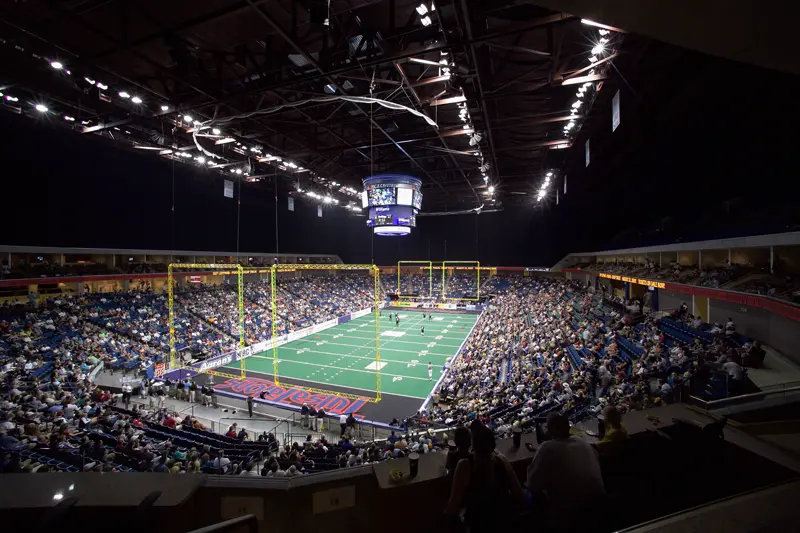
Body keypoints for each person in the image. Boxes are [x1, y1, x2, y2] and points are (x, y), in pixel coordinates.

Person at [526, 413, 605, 530]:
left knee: (527, 496)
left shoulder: (546, 449)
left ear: (550, 430)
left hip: (570, 515)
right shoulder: (583, 441)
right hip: (600, 507)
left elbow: (533, 486)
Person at [445, 422, 524, 532]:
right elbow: (520, 495)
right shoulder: (502, 460)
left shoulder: (465, 465)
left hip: (477, 525)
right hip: (504, 522)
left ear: (473, 444)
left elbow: (452, 507)